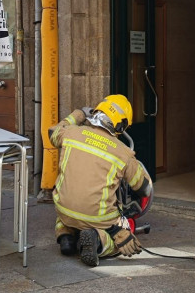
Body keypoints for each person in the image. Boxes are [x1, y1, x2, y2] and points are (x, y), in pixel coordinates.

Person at [48, 94, 153, 266]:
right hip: (98, 217)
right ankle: (98, 240)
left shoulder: (71, 133)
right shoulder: (122, 152)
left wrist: (79, 113)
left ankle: (65, 237)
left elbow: (52, 132)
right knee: (123, 239)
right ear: (121, 125)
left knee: (67, 212)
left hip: (63, 208)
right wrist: (135, 165)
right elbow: (144, 188)